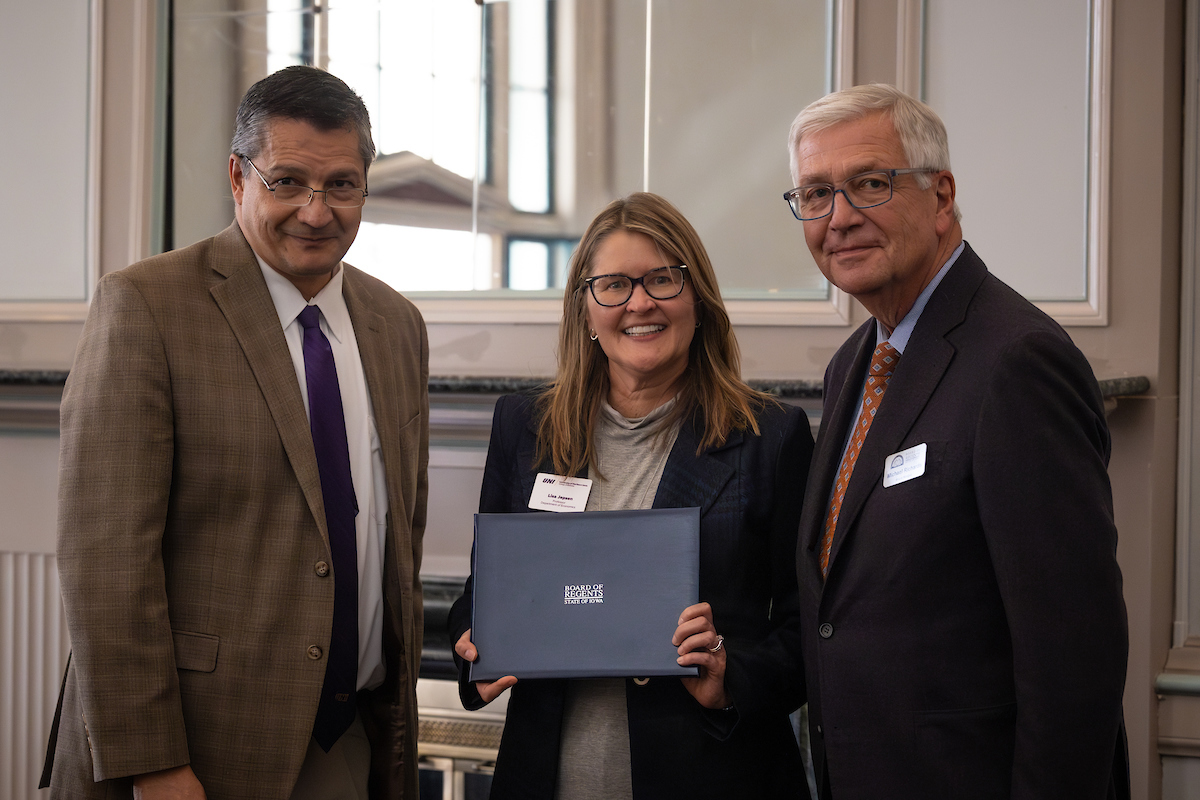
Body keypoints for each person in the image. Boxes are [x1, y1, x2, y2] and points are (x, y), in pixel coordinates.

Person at [41, 66, 428, 800]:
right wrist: (154, 765)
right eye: (288, 182)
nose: (316, 212)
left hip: (350, 741)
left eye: (342, 185)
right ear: (237, 176)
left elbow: (394, 532)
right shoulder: (147, 307)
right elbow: (105, 564)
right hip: (192, 755)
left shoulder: (396, 325)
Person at [784, 83, 1129, 798]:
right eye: (815, 195)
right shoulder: (854, 364)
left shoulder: (1018, 361)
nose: (839, 218)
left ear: (941, 197)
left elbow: (1073, 660)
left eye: (869, 184)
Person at [448, 192, 814, 799]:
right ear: (586, 309)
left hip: (712, 777)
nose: (639, 302)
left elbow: (810, 630)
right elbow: (486, 588)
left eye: (662, 279)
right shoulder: (525, 427)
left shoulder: (768, 437)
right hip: (546, 779)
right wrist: (473, 645)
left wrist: (731, 673)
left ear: (697, 298)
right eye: (613, 285)